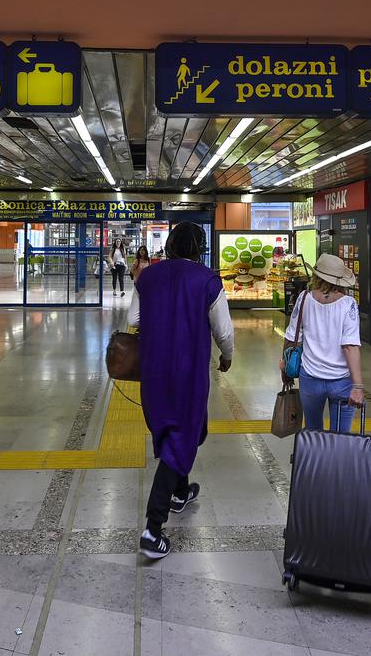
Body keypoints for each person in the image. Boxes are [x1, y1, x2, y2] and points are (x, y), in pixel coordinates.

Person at [126, 222, 234, 560]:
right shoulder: (206, 280)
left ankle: (181, 492)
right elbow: (224, 332)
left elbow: (135, 318)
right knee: (183, 433)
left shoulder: (148, 277)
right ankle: (152, 529)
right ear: (197, 248)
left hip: (155, 368)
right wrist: (226, 357)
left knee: (177, 429)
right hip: (189, 370)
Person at [278, 253, 364, 433]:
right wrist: (357, 386)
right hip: (341, 381)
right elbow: (350, 346)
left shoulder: (304, 299)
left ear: (316, 276)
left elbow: (292, 336)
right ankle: (335, 462)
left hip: (310, 379)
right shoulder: (348, 304)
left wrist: (285, 366)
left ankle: (316, 461)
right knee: (340, 437)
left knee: (313, 432)